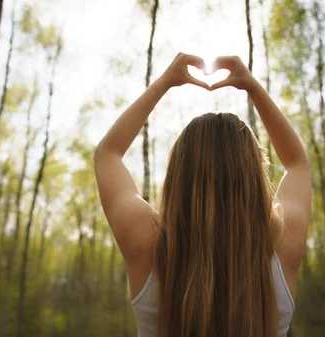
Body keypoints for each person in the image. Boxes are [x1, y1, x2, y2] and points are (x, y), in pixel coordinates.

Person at [94, 52, 311, 337]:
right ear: (255, 178)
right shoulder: (284, 243)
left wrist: (165, 82)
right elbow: (297, 163)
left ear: (177, 175)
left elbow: (107, 155)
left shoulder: (144, 243)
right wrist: (253, 88)